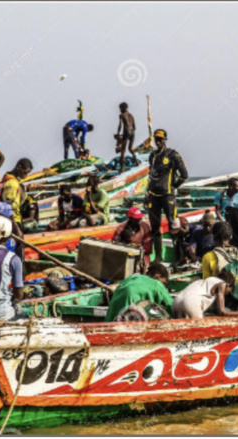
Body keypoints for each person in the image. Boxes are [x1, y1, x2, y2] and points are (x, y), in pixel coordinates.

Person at [147, 129, 188, 262]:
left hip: (167, 196)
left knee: (174, 226)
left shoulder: (172, 155)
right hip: (153, 196)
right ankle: (158, 257)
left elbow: (184, 175)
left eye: (160, 139)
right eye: (156, 139)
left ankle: (179, 257)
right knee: (154, 227)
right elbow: (151, 175)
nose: (158, 142)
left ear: (165, 140)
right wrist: (147, 193)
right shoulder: (152, 156)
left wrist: (174, 186)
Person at [104, 263, 173, 322]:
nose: (163, 287)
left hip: (110, 320)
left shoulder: (131, 278)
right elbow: (170, 304)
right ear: (158, 277)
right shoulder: (157, 284)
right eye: (164, 283)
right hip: (129, 320)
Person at [172, 271, 238, 319]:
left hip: (176, 302)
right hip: (191, 303)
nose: (227, 294)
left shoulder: (204, 282)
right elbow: (222, 312)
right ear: (229, 285)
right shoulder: (222, 284)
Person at [0, 158, 32, 230]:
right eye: (25, 172)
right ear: (19, 167)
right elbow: (7, 207)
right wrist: (15, 227)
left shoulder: (7, 177)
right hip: (13, 221)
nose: (26, 176)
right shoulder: (12, 183)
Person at [115, 102, 139, 171]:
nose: (119, 110)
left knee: (123, 150)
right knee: (130, 148)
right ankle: (137, 162)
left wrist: (118, 133)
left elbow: (120, 125)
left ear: (123, 108)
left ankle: (122, 168)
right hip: (133, 132)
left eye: (120, 108)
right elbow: (134, 126)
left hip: (127, 132)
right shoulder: (131, 115)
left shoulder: (122, 115)